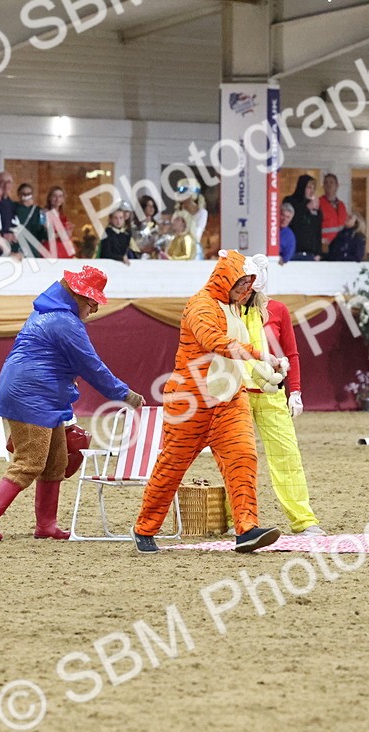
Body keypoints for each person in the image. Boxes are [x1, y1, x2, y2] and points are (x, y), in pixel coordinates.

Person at [0, 266, 145, 542]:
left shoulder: (48, 314)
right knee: (31, 461)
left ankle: (46, 525)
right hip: (33, 396)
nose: (94, 310)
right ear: (77, 296)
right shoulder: (65, 322)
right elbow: (91, 366)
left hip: (39, 394)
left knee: (56, 461)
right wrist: (125, 394)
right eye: (92, 302)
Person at [131, 250, 287, 555]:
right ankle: (145, 528)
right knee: (172, 467)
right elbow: (214, 341)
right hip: (189, 402)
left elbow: (235, 352)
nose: (245, 292)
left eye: (248, 286)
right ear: (226, 279)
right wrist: (260, 356)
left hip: (229, 399)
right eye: (241, 284)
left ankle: (247, 530)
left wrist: (266, 375)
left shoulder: (233, 307)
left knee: (243, 458)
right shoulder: (200, 305)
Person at [240, 259, 328, 536]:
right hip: (237, 394)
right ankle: (237, 517)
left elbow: (291, 353)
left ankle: (303, 519)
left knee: (287, 455)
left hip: (270, 394)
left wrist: (296, 391)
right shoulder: (229, 310)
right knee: (239, 457)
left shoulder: (278, 310)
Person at [283, 174, 322, 261]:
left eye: (313, 188)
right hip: (293, 251)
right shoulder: (290, 201)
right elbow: (291, 222)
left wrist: (319, 252)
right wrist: (306, 208)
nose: (311, 191)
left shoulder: (315, 207)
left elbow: (317, 230)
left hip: (310, 254)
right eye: (309, 187)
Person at [174, 178, 208, 258]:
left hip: (193, 250)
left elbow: (197, 235)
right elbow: (174, 233)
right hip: (178, 249)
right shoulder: (177, 213)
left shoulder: (202, 213)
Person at [13, 183, 48, 257]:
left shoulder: (41, 212)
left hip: (33, 248)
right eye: (23, 193)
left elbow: (44, 234)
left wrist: (46, 225)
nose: (26, 196)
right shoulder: (12, 208)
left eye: (28, 193)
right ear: (18, 194)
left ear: (32, 195)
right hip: (16, 247)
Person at [42, 186, 76, 258]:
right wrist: (63, 233)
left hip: (64, 251)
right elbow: (47, 234)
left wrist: (69, 232)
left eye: (60, 196)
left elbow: (66, 236)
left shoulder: (63, 216)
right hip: (51, 249)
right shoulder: (43, 214)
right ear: (49, 198)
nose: (57, 199)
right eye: (54, 196)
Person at [319, 173, 348, 248]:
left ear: (337, 185)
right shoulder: (318, 204)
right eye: (326, 183)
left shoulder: (342, 206)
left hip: (341, 245)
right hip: (324, 246)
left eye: (331, 182)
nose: (328, 185)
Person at [0, 171, 17, 251]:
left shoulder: (11, 204)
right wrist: (3, 235)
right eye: (2, 182)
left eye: (8, 182)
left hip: (7, 247)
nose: (6, 185)